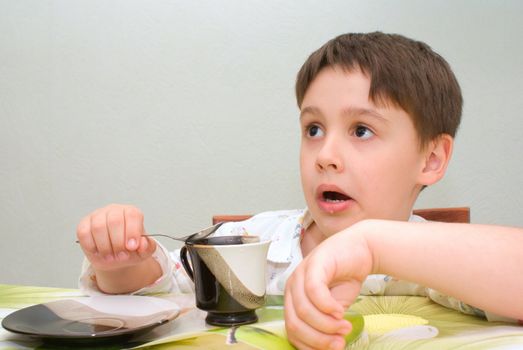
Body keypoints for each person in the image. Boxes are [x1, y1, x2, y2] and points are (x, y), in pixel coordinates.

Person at [75, 32, 523, 350]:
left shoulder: (440, 261)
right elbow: (165, 289)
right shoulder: (260, 242)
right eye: (313, 128)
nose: (325, 154)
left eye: (362, 130)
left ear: (431, 159)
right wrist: (123, 263)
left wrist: (373, 245)